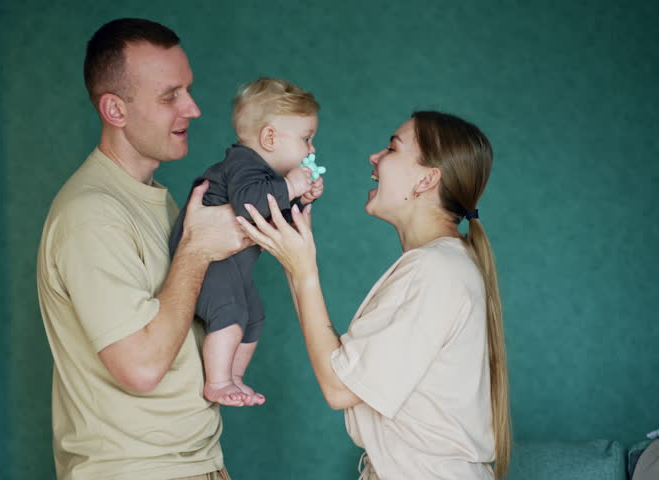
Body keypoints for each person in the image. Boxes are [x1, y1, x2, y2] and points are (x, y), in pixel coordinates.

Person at [237, 111, 512, 479]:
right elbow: (344, 374)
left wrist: (304, 270)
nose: (375, 157)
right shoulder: (441, 265)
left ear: (427, 178)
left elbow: (338, 388)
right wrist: (296, 252)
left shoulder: (434, 272)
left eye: (391, 148)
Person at [36, 18, 250, 480]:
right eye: (169, 96)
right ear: (115, 109)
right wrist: (195, 251)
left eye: (188, 90)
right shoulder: (90, 214)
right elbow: (141, 369)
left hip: (195, 465)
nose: (192, 108)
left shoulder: (160, 201)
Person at [168, 77, 324, 407]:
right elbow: (248, 203)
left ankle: (233, 376)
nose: (311, 149)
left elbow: (274, 214)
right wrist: (291, 187)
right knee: (232, 311)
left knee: (253, 317)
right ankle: (218, 381)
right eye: (307, 139)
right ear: (269, 137)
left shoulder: (269, 179)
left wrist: (301, 198)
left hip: (231, 265)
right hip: (209, 262)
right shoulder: (243, 164)